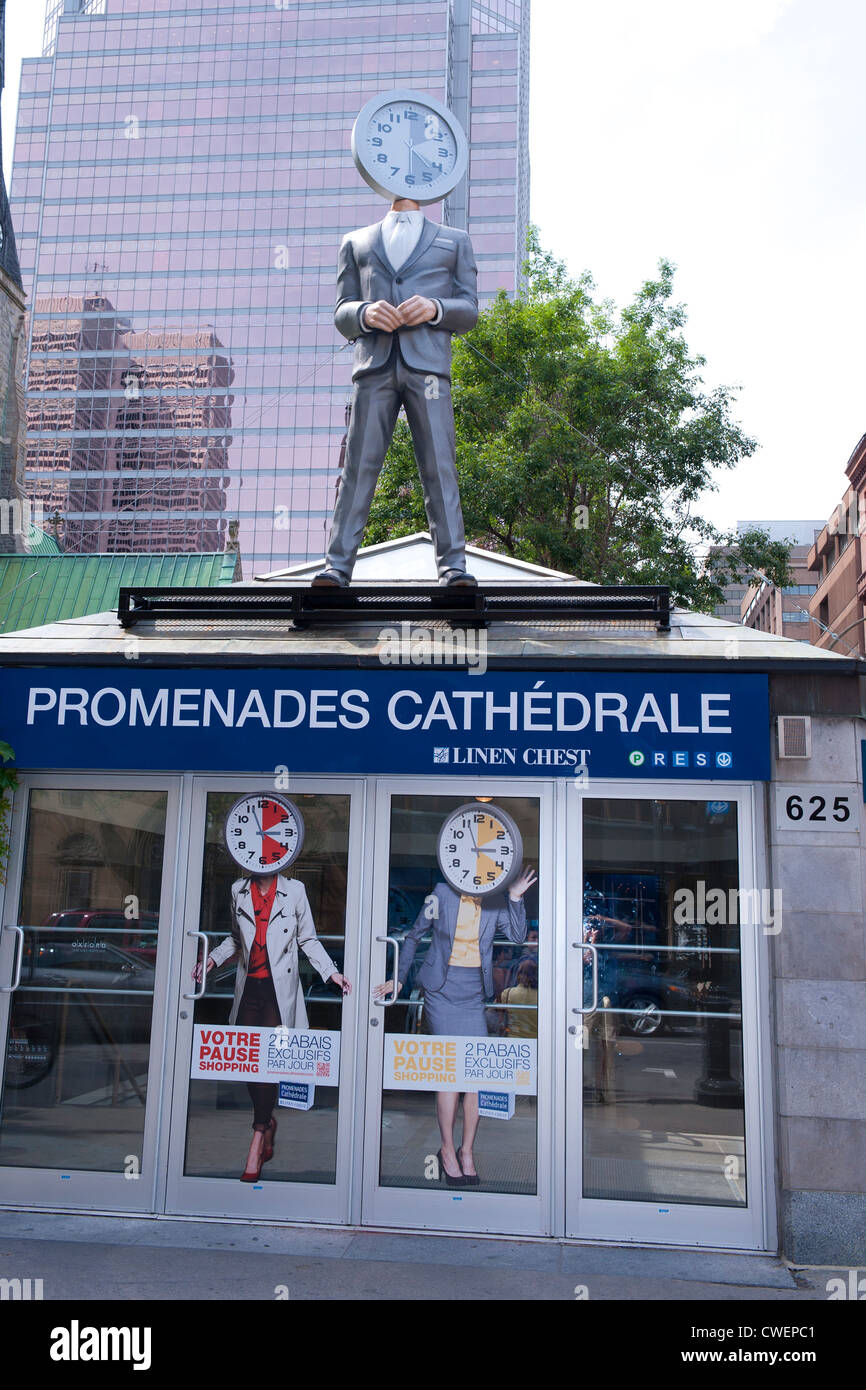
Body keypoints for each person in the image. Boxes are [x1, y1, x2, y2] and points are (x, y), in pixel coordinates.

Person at [313, 195, 478, 588]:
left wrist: (436, 308)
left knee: (440, 464)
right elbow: (342, 311)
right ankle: (337, 567)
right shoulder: (356, 241)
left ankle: (453, 566)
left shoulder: (455, 240)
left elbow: (469, 309)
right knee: (358, 466)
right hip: (374, 367)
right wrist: (364, 313)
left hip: (429, 369)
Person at [374, 865, 537, 1186]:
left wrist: (516, 898)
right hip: (441, 990)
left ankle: (467, 1151)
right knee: (450, 1074)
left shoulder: (494, 901)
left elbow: (518, 937)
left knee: (474, 1076)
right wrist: (399, 977)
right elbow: (414, 935)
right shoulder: (441, 893)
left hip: (474, 993)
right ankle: (447, 1149)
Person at [194, 872, 351, 1182]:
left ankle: (257, 1136)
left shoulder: (294, 890)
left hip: (278, 992)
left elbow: (307, 938)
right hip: (248, 989)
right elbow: (236, 939)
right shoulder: (238, 889)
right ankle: (267, 1123)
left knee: (267, 1066)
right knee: (249, 1066)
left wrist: (331, 973)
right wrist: (212, 959)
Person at [500, 958, 538, 1039]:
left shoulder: (507, 993)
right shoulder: (544, 997)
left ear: (518, 975)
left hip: (514, 1041)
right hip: (537, 1041)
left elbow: (497, 1013)